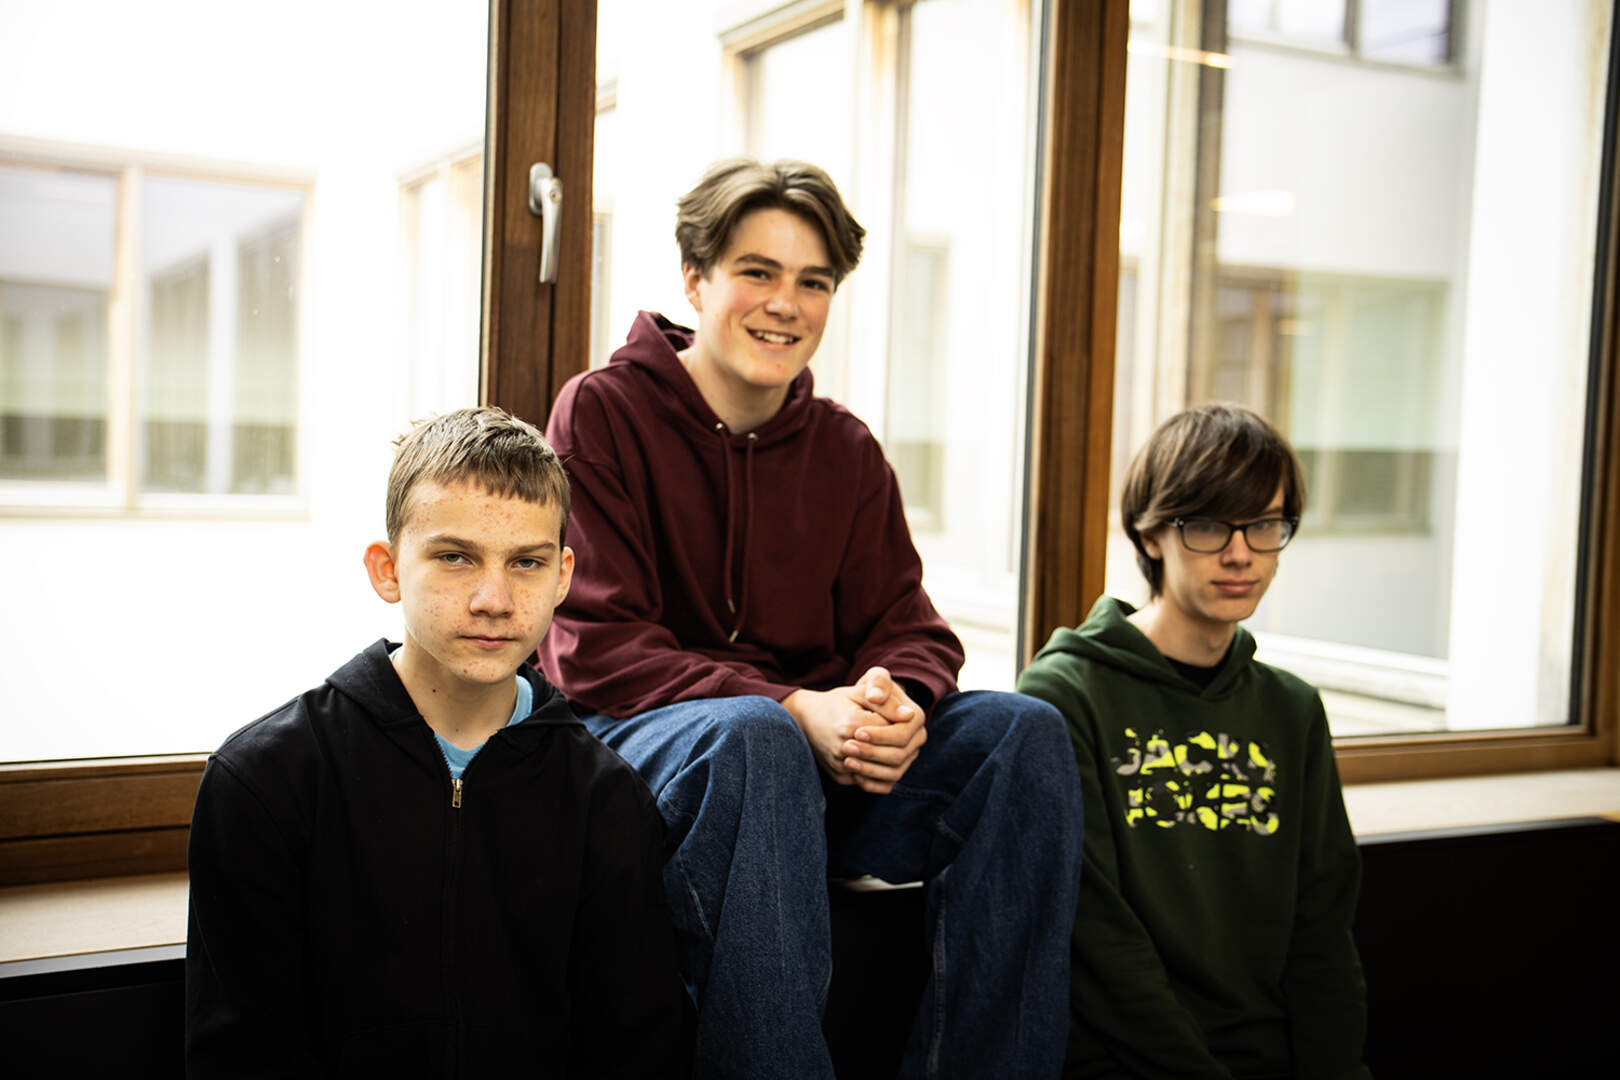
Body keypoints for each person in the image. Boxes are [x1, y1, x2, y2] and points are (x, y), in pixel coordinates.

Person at [537, 158, 1084, 1079]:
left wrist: (893, 703)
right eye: (758, 272)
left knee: (1022, 734)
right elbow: (595, 646)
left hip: (817, 766)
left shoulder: (845, 448)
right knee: (756, 736)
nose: (785, 304)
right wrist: (796, 707)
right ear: (695, 278)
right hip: (649, 760)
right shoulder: (601, 412)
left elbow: (911, 627)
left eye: (814, 282)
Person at [185, 406, 689, 1077]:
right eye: (455, 557)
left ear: (563, 576)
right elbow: (242, 1054)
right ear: (388, 569)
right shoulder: (265, 779)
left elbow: (636, 1052)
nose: (494, 599)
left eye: (526, 562)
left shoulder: (609, 800)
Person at [1017, 404, 1369, 1079]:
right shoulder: (1064, 696)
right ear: (1150, 535)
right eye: (1207, 526)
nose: (1240, 553)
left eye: (1264, 525)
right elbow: (1097, 940)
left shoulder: (1292, 710)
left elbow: (1323, 932)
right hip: (1122, 1064)